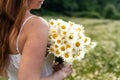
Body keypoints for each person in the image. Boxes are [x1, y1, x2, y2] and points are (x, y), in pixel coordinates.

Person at [0, 0, 73, 80]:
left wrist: (48, 67)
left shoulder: (4, 24)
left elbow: (6, 72)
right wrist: (61, 74)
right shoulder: (36, 25)